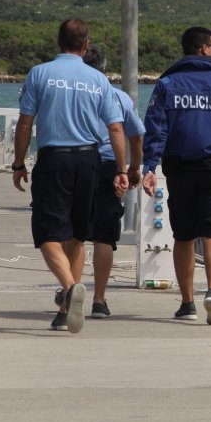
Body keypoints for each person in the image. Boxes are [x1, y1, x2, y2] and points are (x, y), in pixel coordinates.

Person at [12, 18, 129, 334]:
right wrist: (121, 169)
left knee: (48, 233)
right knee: (77, 234)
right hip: (90, 160)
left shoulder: (40, 73)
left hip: (55, 159)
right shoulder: (98, 80)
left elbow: (25, 124)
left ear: (58, 41)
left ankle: (70, 288)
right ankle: (65, 311)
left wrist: (18, 162)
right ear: (86, 45)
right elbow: (116, 128)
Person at [142, 26, 211, 325]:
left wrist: (149, 167)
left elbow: (156, 128)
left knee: (184, 235)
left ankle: (188, 302)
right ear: (204, 49)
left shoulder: (167, 84)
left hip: (180, 166)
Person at [73, 45, 144, 319]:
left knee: (74, 233)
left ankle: (70, 288)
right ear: (104, 69)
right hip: (109, 167)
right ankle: (99, 300)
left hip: (78, 163)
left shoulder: (74, 96)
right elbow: (136, 136)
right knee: (104, 236)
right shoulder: (120, 97)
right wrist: (132, 169)